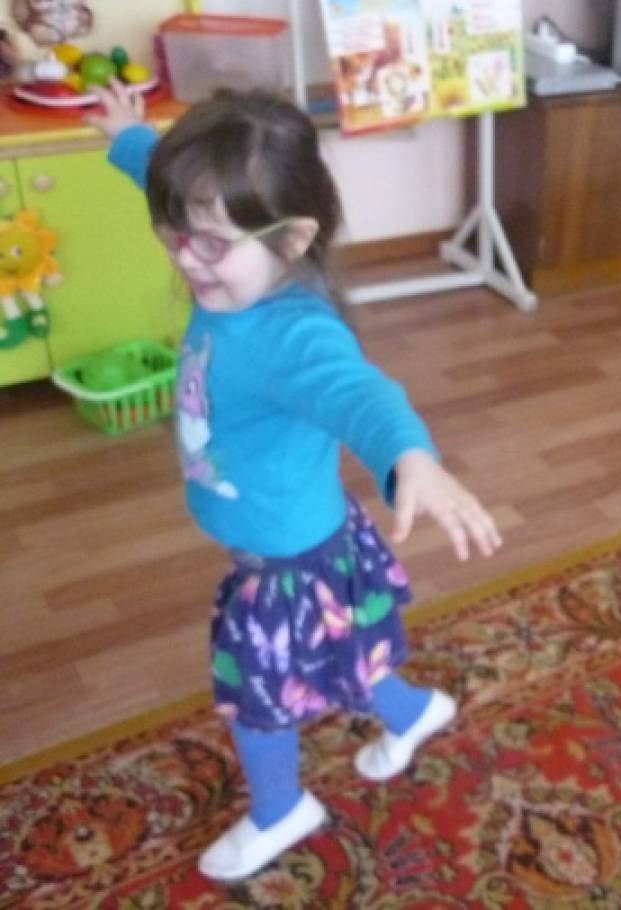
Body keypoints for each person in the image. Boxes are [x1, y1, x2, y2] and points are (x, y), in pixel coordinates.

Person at [86, 83, 502, 881]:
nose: (184, 257)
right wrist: (128, 138)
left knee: (254, 697)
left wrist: (410, 456)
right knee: (348, 655)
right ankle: (416, 711)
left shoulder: (294, 332)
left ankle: (282, 809)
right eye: (173, 232)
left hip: (287, 567)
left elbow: (361, 395)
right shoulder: (229, 258)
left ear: (294, 237)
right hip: (301, 538)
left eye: (210, 244)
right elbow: (166, 177)